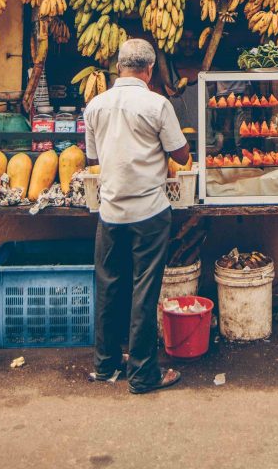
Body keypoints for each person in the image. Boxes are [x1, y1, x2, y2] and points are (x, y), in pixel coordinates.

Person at [84, 38, 190, 394]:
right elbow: (180, 154)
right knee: (144, 290)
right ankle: (143, 374)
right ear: (148, 70)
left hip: (110, 211)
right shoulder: (157, 104)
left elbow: (94, 159)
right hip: (149, 212)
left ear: (119, 67)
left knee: (109, 286)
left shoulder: (95, 106)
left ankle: (106, 366)